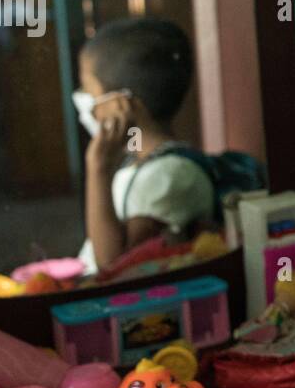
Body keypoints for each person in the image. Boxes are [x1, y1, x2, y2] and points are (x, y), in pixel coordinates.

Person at [72, 18, 212, 274]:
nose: (83, 101)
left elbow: (115, 267)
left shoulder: (170, 177)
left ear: (121, 104)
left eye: (89, 92)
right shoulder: (138, 164)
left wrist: (98, 170)